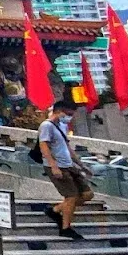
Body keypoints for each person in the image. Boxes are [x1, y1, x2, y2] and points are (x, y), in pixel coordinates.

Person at [40, 99, 93, 241]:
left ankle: (55, 210)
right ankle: (65, 228)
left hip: (69, 165)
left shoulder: (62, 126)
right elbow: (44, 146)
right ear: (59, 111)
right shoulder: (46, 126)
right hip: (57, 166)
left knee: (87, 194)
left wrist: (81, 165)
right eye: (68, 114)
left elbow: (67, 147)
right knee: (71, 197)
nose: (69, 117)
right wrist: (53, 166)